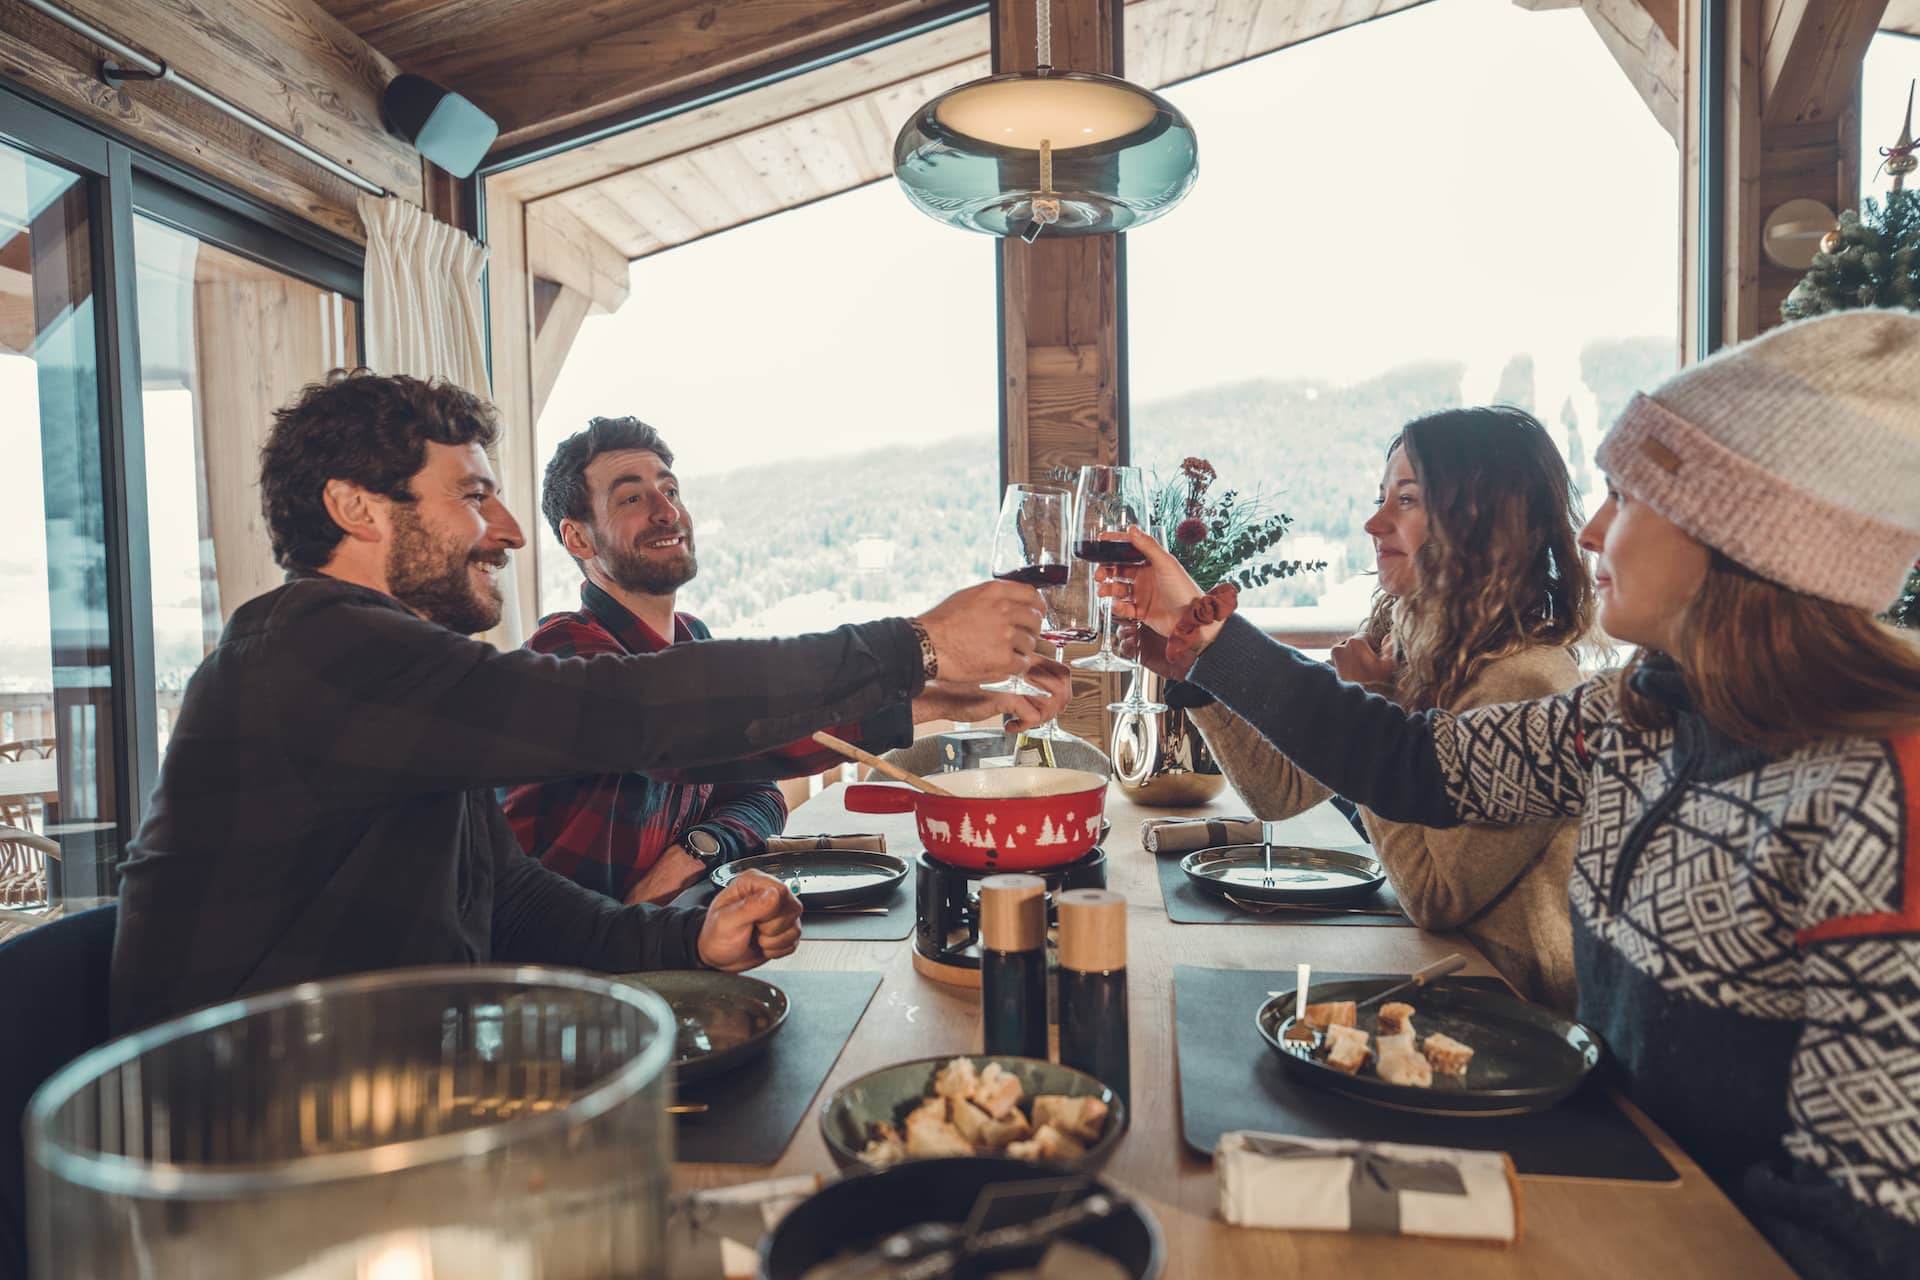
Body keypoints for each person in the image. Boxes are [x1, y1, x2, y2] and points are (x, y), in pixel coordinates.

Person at [1104, 310, 1920, 1277]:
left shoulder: (1879, 796)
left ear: (1745, 539)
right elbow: (1409, 760)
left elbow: (1870, 1233)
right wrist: (1205, 638)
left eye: (1630, 495)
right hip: (1600, 1181)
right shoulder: (1631, 713)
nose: (1590, 527)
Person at [112, 370, 1066, 1034]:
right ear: (358, 509)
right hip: (252, 1146)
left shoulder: (397, 684)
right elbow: (627, 716)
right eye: (474, 496)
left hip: (386, 1088)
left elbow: (515, 908)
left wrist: (690, 934)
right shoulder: (312, 646)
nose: (508, 530)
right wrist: (916, 643)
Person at [504, 416, 1063, 905]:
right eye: (631, 497)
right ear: (577, 538)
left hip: (657, 944)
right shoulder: (568, 650)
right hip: (555, 982)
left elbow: (758, 788)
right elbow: (681, 734)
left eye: (670, 489)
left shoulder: (690, 639)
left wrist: (695, 851)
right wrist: (923, 648)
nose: (665, 510)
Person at [1168, 407, 1591, 1009]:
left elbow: (1433, 894)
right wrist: (1197, 678)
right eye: (1381, 499)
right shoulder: (1412, 641)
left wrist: (1371, 702)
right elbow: (1278, 792)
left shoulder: (1527, 681)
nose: (1374, 522)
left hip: (1509, 1012)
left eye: (1407, 501)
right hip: (1432, 974)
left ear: (1483, 522)